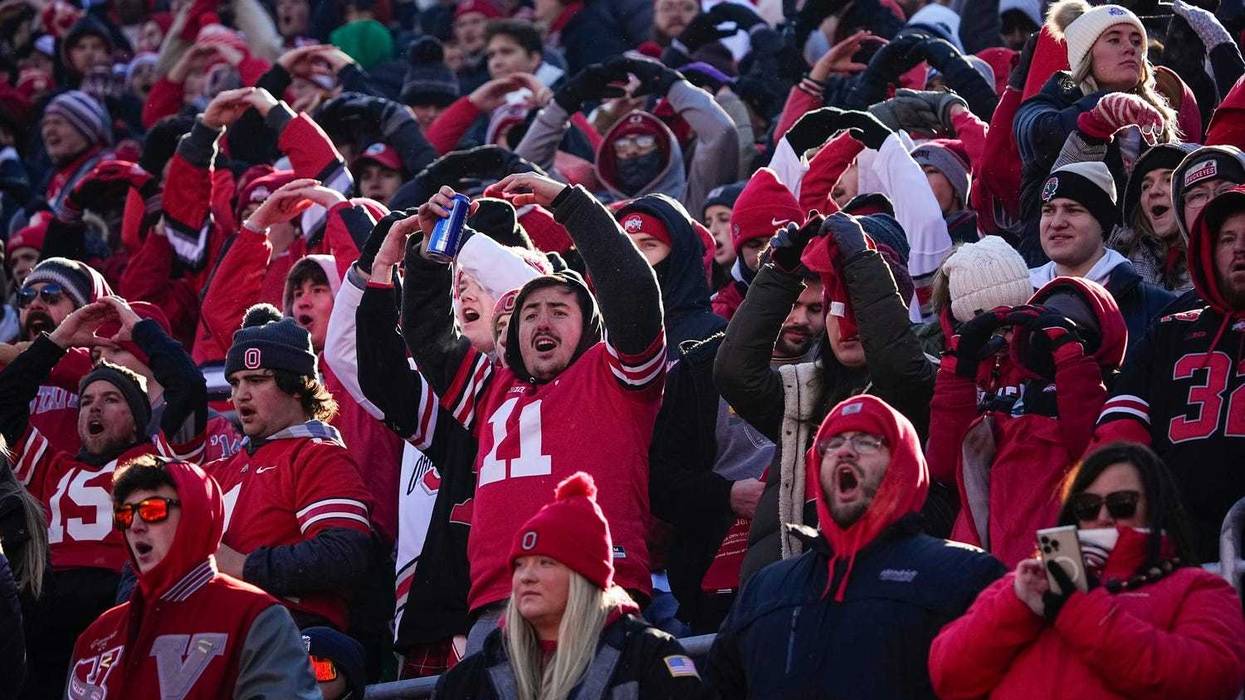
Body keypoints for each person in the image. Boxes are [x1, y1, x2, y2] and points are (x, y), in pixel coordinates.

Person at [400, 174, 666, 652]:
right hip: (499, 606)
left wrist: (572, 205)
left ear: (589, 326)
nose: (542, 321)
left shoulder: (618, 377)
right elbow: (426, 331)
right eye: (529, 313)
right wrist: (426, 254)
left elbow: (634, 294)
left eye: (559, 311)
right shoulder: (489, 389)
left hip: (597, 591)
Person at [704, 395, 1004, 698]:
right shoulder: (765, 589)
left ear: (903, 463)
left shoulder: (965, 575)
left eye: (866, 440)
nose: (845, 450)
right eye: (832, 444)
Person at [0, 296, 206, 697]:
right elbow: (6, 402)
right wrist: (57, 340)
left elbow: (190, 387)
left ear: (137, 420)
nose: (95, 408)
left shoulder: (158, 460)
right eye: (87, 401)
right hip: (47, 611)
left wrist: (142, 331)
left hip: (118, 602)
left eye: (111, 400)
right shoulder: (50, 467)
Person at [929, 443, 1245, 700]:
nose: (1104, 516)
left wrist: (1077, 608)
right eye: (1088, 506)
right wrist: (1015, 604)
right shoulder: (1027, 581)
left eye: (1122, 504)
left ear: (1156, 507)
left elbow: (1211, 680)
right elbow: (948, 676)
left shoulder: (1198, 588)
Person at [714, 213, 936, 578]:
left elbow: (899, 369)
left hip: (883, 586)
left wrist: (862, 260)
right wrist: (779, 274)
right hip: (795, 587)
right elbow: (735, 373)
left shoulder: (926, 380)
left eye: (858, 307)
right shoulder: (803, 392)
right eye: (835, 306)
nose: (846, 324)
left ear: (889, 313)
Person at [66, 456, 321, 699]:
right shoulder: (96, 635)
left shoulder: (255, 616)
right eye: (125, 514)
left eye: (152, 510)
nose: (135, 525)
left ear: (196, 513)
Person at [435, 472, 708, 699]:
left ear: (585, 576)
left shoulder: (648, 657)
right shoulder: (466, 681)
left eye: (545, 563)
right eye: (520, 564)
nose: (526, 576)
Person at [203, 305, 376, 639]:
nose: (241, 395)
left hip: (288, 634)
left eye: (257, 380)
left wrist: (241, 567)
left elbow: (344, 554)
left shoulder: (319, 456)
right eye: (235, 383)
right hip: (208, 634)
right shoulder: (217, 471)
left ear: (297, 386)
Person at [930, 277, 1127, 566]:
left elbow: (1091, 458)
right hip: (979, 544)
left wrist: (1074, 363)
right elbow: (944, 465)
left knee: (1061, 608)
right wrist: (956, 373)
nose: (1050, 340)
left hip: (1061, 543)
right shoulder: (1002, 388)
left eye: (1072, 331)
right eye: (1047, 329)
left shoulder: (1111, 389)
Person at [1094, 185, 1245, 562]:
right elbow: (1117, 439)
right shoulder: (1171, 330)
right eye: (1228, 238)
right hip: (1178, 558)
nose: (1239, 248)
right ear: (1209, 250)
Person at [516, 55, 738, 217]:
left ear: (666, 151)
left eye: (644, 143)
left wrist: (672, 85)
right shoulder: (591, 209)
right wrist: (564, 103)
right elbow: (524, 173)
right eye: (621, 146)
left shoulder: (692, 202)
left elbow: (721, 134)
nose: (631, 151)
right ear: (609, 158)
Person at [1030, 161, 1174, 355]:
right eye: (1048, 210)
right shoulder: (1020, 295)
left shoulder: (1156, 306)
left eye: (1073, 210)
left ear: (1103, 223)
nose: (1056, 223)